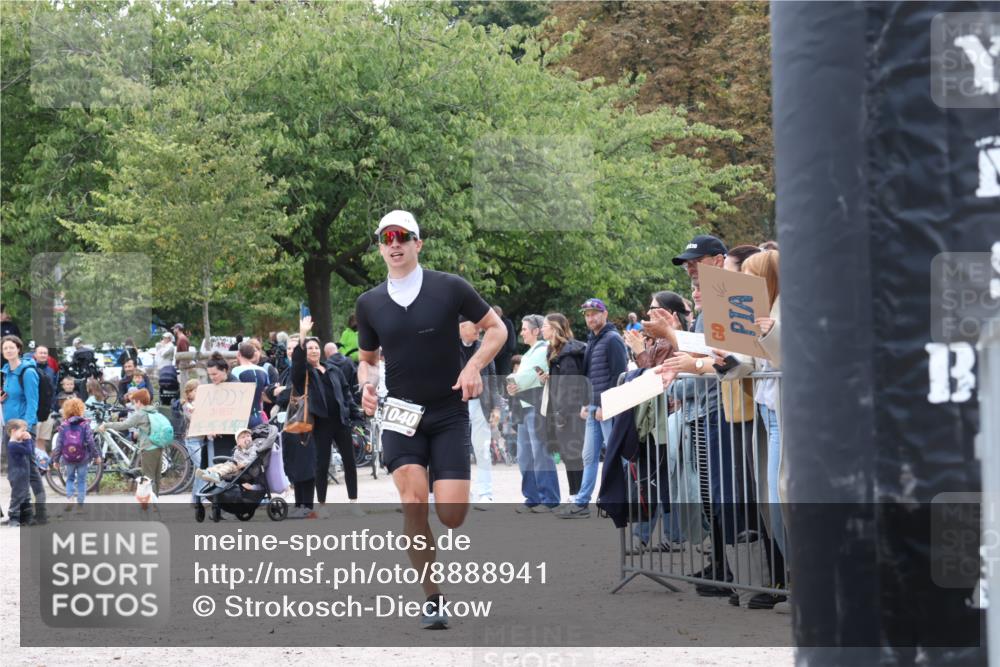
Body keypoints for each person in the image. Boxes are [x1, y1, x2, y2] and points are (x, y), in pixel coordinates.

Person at [355, 209, 506, 629]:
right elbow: (367, 361)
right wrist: (366, 384)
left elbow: (496, 329)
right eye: (387, 238)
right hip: (400, 414)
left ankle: (447, 484)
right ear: (381, 247)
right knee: (414, 501)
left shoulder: (449, 287)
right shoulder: (369, 302)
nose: (395, 243)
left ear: (418, 243)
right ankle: (432, 596)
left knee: (453, 515)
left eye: (404, 236)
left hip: (448, 410)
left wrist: (473, 365)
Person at [562, 298, 628, 518]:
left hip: (608, 408)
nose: (590, 317)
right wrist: (586, 403)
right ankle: (581, 503)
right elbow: (589, 376)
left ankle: (622, 500)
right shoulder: (593, 340)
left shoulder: (612, 340)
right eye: (587, 314)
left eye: (594, 313)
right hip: (593, 408)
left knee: (615, 457)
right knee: (589, 456)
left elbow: (619, 376)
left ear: (605, 314)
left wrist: (605, 405)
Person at [292, 317, 363, 517]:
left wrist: (355, 415)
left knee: (350, 463)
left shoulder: (333, 369)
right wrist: (303, 335)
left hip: (340, 422)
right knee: (321, 464)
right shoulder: (304, 373)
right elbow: (296, 363)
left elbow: (346, 394)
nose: (313, 350)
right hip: (320, 424)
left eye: (316, 347)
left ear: (321, 351)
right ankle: (322, 505)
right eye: (309, 348)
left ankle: (354, 502)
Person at [507, 314, 558, 513]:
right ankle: (532, 496)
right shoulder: (529, 354)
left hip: (537, 407)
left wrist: (514, 382)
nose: (521, 332)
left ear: (536, 331)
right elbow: (519, 378)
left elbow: (525, 378)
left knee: (540, 454)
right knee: (525, 455)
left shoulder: (544, 349)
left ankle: (549, 498)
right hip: (524, 407)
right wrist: (515, 382)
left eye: (525, 329)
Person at [266, 334, 318, 518]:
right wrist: (277, 391)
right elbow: (273, 392)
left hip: (304, 422)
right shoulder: (286, 371)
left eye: (295, 348)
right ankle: (300, 503)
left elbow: (286, 394)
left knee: (305, 463)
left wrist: (280, 393)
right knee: (294, 464)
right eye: (288, 348)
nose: (290, 351)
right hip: (289, 422)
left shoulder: (305, 370)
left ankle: (307, 504)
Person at [538, 313, 587, 504]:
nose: (542, 328)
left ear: (555, 328)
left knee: (573, 455)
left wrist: (562, 413)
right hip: (562, 411)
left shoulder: (567, 354)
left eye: (545, 325)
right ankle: (575, 495)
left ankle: (579, 497)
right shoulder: (555, 351)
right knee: (568, 455)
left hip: (570, 412)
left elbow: (571, 386)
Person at [459, 316, 499, 506]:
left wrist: (496, 407)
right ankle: (460, 494)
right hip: (456, 403)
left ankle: (485, 492)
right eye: (474, 326)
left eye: (479, 327)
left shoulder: (484, 347)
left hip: (480, 404)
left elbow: (492, 377)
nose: (478, 330)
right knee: (456, 450)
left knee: (482, 449)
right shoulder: (448, 347)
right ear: (461, 326)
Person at [99, 389, 164, 494]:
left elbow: (124, 425)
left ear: (138, 402)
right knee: (156, 478)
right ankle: (154, 503)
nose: (134, 405)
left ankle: (151, 506)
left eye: (134, 402)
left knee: (148, 478)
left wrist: (106, 425)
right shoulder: (153, 410)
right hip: (159, 447)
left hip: (148, 448)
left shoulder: (140, 414)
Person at [50, 397, 101, 511]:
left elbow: (59, 444)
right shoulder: (84, 425)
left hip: (68, 459)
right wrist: (96, 456)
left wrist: (56, 460)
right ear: (81, 409)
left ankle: (70, 498)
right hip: (83, 458)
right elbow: (90, 442)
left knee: (70, 479)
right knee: (82, 481)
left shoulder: (63, 425)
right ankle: (80, 506)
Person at [3, 419, 46, 526]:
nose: (25, 433)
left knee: (26, 496)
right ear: (13, 431)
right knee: (18, 496)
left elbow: (29, 451)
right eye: (23, 431)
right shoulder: (13, 445)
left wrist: (27, 440)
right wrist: (29, 439)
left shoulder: (18, 443)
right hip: (17, 475)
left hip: (23, 474)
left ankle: (27, 517)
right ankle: (14, 518)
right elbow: (29, 451)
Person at [195, 428, 264, 485]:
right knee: (221, 465)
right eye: (243, 437)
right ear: (238, 443)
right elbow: (234, 459)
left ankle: (217, 475)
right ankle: (208, 472)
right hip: (235, 466)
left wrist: (243, 464)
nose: (246, 438)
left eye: (248, 436)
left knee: (229, 466)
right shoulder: (237, 450)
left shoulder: (253, 448)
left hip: (245, 469)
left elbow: (252, 458)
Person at [232, 341, 270, 428]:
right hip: (259, 415)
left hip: (242, 417)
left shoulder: (236, 371)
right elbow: (265, 392)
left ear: (239, 354)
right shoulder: (263, 370)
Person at [32, 345, 59, 452]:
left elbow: (54, 389)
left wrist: (53, 407)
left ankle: (42, 465)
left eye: (45, 353)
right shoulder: (31, 369)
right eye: (41, 353)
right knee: (33, 438)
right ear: (35, 355)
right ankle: (34, 465)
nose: (43, 355)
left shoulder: (51, 370)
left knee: (42, 440)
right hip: (36, 410)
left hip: (49, 410)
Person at [492, 305, 518, 377]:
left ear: (501, 314)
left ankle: (508, 388)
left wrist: (509, 350)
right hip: (493, 353)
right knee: (494, 374)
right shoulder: (491, 323)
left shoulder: (507, 323)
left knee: (505, 375)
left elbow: (511, 340)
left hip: (505, 354)